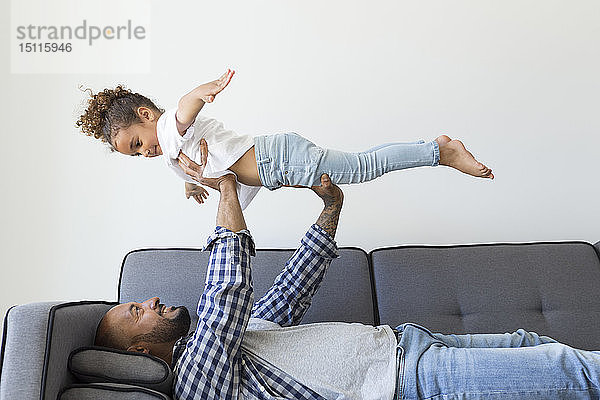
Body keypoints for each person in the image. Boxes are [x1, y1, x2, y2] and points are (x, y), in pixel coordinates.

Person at [95, 147, 600, 400]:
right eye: (138, 311)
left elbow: (289, 293)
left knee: (534, 344)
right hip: (408, 383)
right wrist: (227, 188)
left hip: (406, 344)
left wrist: (331, 208)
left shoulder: (236, 344)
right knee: (569, 373)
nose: (153, 301)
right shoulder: (197, 383)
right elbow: (224, 293)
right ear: (139, 351)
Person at [76, 69, 493, 210]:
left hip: (280, 159)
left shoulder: (169, 127)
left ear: (147, 117)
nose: (143, 152)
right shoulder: (171, 150)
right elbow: (186, 161)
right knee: (365, 163)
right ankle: (436, 147)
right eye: (134, 154)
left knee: (366, 167)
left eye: (136, 143)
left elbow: (185, 108)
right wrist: (189, 182)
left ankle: (441, 150)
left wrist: (205, 91)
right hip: (279, 162)